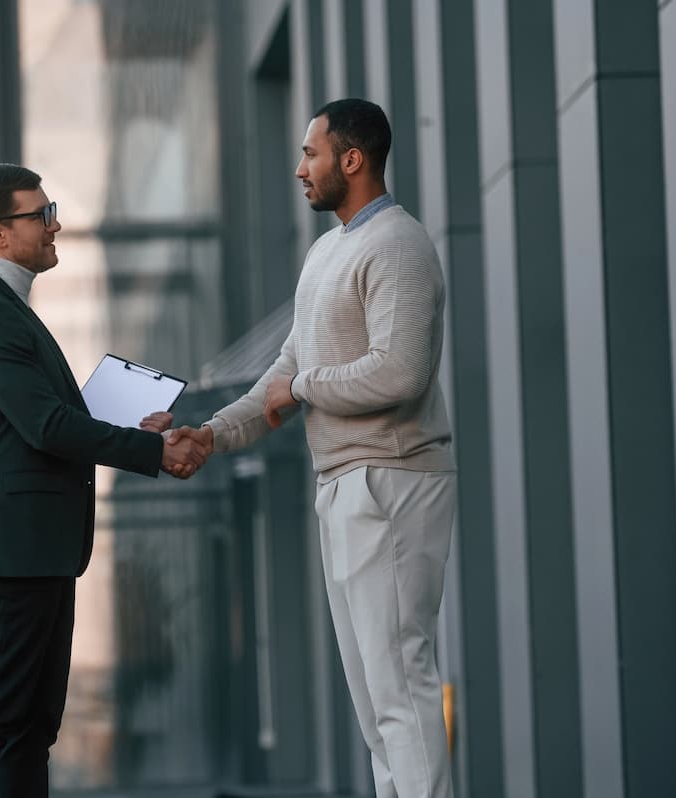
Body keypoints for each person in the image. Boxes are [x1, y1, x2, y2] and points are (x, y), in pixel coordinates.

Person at [173, 98, 457, 798]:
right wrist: (212, 433)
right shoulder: (326, 252)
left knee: (399, 684)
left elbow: (399, 372)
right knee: (372, 700)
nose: (301, 169)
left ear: (352, 160)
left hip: (393, 478)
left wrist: (304, 386)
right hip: (341, 483)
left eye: (311, 154)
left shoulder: (400, 246)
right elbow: (281, 376)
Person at [0, 163, 206, 798]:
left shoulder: (8, 311)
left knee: (31, 727)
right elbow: (46, 427)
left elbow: (39, 422)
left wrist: (127, 425)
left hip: (38, 545)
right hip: (13, 548)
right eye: (41, 213)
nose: (56, 223)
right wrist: (148, 449)